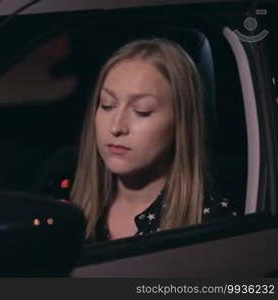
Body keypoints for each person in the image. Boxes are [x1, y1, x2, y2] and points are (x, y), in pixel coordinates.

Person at [69, 38, 238, 242]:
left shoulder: (214, 225)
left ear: (181, 123)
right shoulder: (67, 210)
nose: (116, 127)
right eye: (107, 105)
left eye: (142, 111)